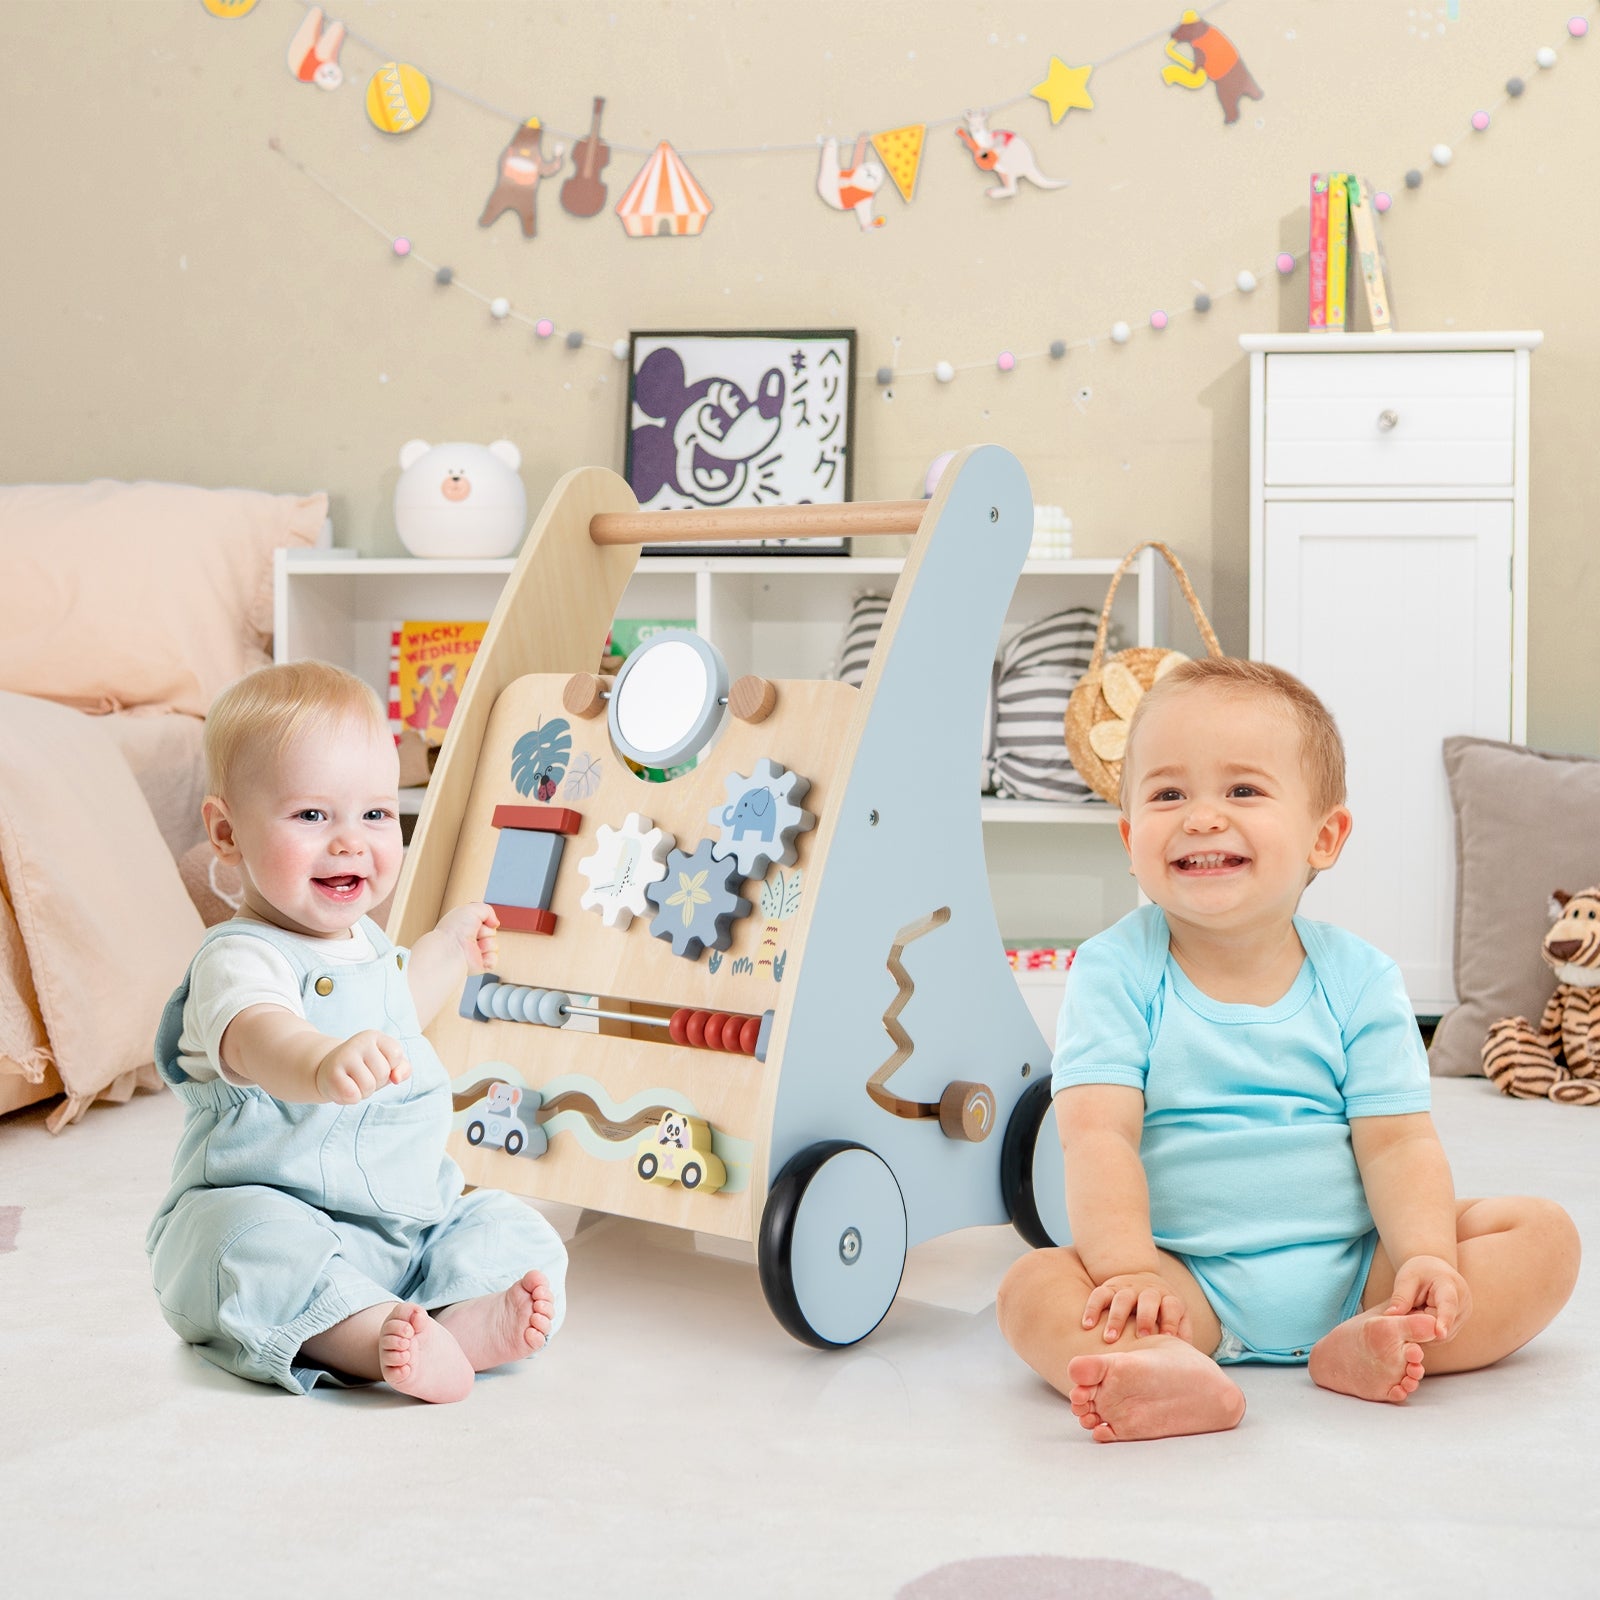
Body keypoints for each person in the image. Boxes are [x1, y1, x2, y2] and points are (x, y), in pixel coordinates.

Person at [996, 657, 1579, 1442]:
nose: (1201, 817)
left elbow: (1398, 1143)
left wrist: (1423, 1260)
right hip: (1182, 1282)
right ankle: (1174, 1366)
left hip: (1359, 1268)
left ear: (1324, 836)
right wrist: (1131, 1270)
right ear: (1132, 839)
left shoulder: (1360, 977)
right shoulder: (1114, 968)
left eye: (1241, 790)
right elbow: (1097, 1135)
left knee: (1543, 1238)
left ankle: (1381, 1336)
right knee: (1031, 1288)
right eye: (1169, 794)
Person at [147, 660, 568, 1402]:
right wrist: (318, 1062)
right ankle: (369, 1341)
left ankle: (458, 1317)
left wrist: (446, 949)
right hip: (277, 1209)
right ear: (226, 832)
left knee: (513, 1225)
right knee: (244, 1248)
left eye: (375, 815)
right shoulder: (241, 958)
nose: (349, 842)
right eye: (312, 816)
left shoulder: (365, 945)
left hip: (403, 1225)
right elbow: (258, 1036)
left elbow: (394, 1006)